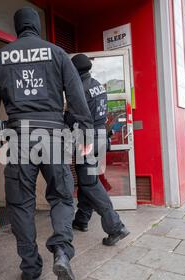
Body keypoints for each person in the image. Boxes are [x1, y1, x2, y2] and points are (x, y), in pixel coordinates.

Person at [0, 8, 93, 280]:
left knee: (20, 206)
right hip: (52, 135)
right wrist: (85, 131)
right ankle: (62, 251)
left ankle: (31, 273)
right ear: (37, 26)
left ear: (17, 28)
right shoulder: (56, 53)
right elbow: (76, 95)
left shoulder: (0, 58)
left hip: (18, 138)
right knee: (62, 197)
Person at [68, 54, 130, 246]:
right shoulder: (97, 86)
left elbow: (72, 117)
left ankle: (116, 226)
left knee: (89, 184)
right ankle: (81, 220)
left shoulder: (79, 88)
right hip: (100, 138)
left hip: (86, 140)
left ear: (75, 70)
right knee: (89, 179)